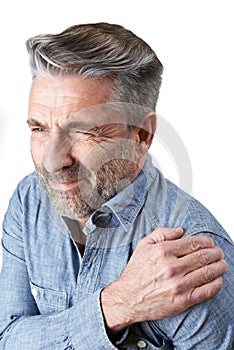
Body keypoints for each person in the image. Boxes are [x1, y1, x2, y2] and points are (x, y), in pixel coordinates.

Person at [0, 23, 233, 350]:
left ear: (141, 135)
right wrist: (116, 306)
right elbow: (7, 338)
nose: (53, 162)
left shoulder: (195, 253)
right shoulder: (29, 201)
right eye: (39, 129)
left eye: (83, 132)